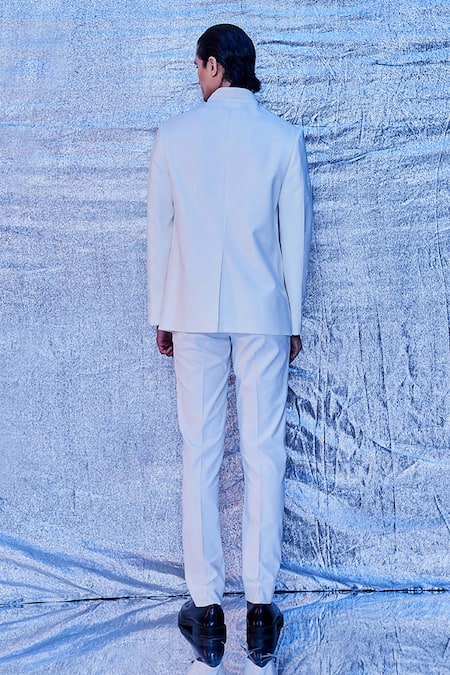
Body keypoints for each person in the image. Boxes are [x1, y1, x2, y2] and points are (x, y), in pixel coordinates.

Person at [147, 23, 312, 669]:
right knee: (265, 453)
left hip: (192, 311)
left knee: (201, 453)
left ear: (215, 66)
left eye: (198, 66)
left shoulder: (173, 136)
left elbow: (161, 234)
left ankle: (208, 612)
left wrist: (161, 314)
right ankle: (262, 611)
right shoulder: (283, 137)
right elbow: (295, 238)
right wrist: (291, 319)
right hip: (263, 312)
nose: (196, 76)